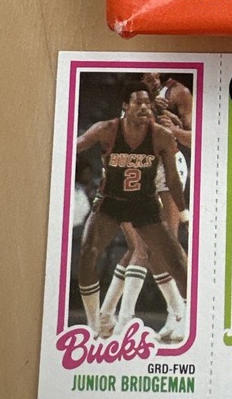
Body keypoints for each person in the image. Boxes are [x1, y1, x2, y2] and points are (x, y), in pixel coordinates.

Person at [76, 82, 189, 339]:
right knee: (135, 247)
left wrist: (185, 214)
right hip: (127, 181)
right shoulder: (111, 127)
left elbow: (192, 136)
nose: (151, 78)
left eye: (154, 76)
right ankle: (108, 316)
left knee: (159, 246)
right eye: (139, 102)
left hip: (163, 171)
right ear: (125, 106)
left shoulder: (172, 103)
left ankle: (139, 318)